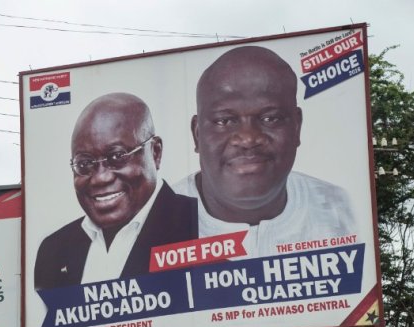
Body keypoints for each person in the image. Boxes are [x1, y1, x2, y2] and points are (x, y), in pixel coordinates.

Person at [175, 45, 356, 256]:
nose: (248, 138)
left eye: (270, 118)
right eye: (225, 121)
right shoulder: (151, 225)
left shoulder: (342, 210)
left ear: (296, 127)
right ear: (197, 134)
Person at [34, 92, 198, 289]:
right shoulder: (53, 251)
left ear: (155, 152)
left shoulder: (199, 223)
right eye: (84, 163)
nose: (101, 177)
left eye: (117, 156)